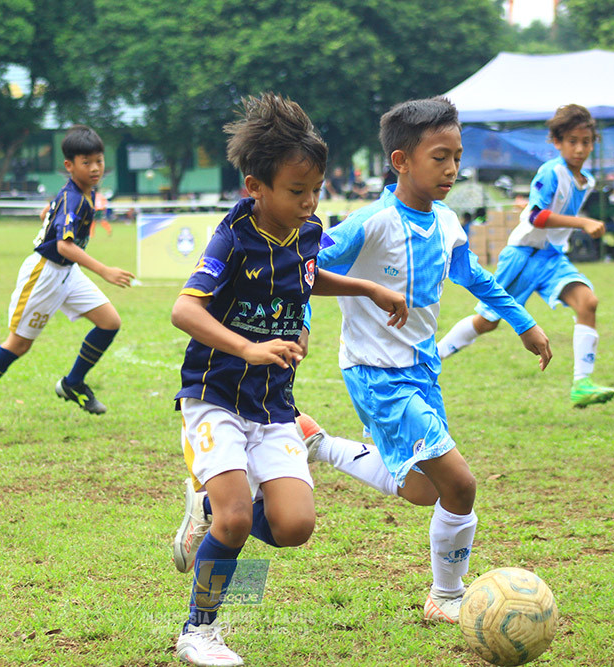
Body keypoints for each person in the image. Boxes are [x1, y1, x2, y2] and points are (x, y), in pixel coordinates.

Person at [169, 93, 409, 667]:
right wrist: (249, 347)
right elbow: (184, 310)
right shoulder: (233, 236)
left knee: (294, 526)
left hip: (274, 404)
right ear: (256, 187)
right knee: (235, 520)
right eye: (297, 191)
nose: (310, 202)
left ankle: (208, 514)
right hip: (215, 395)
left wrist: (367, 288)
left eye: (316, 190)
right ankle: (199, 630)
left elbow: (306, 274)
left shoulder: (307, 230)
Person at [297, 97, 550, 627]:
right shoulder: (371, 223)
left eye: (457, 157)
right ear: (401, 161)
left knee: (423, 490)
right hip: (375, 373)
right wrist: (303, 324)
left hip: (422, 371)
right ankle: (446, 595)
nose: (452, 169)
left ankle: (320, 445)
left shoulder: (448, 222)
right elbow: (304, 269)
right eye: (440, 157)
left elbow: (476, 278)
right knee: (460, 484)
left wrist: (523, 323)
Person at [0, 125, 134, 428]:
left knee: (109, 322)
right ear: (69, 165)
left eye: (99, 161)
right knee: (18, 344)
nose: (95, 168)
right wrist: (104, 271)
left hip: (67, 272)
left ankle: (73, 383)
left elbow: (52, 212)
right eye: (86, 162)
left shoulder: (83, 190)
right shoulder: (74, 198)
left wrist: (50, 215)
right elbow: (63, 245)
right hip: (45, 273)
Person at [438, 103, 614, 409]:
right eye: (572, 141)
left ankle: (582, 384)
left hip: (552, 258)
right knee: (487, 321)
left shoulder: (587, 180)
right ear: (557, 142)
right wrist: (582, 223)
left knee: (588, 302)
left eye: (586, 142)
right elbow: (536, 216)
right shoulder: (551, 172)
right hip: (523, 256)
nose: (580, 149)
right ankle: (430, 359)